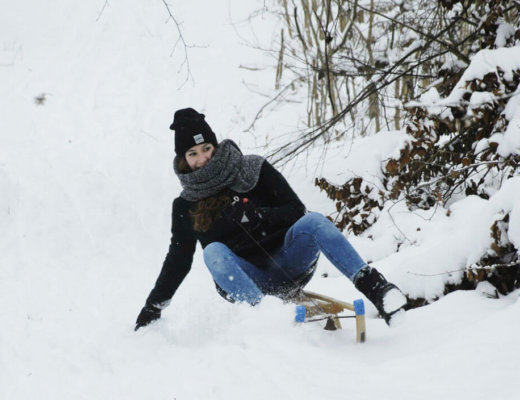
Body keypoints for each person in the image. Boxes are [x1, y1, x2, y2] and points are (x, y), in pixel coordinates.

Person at [135, 108, 407, 331]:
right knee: (213, 251)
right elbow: (179, 259)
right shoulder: (186, 205)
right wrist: (153, 305)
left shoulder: (251, 168)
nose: (202, 158)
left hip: (291, 263)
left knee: (314, 221)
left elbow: (295, 210)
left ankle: (377, 289)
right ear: (183, 160)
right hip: (244, 281)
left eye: (206, 148)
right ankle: (266, 319)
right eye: (192, 154)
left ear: (214, 146)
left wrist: (259, 216)